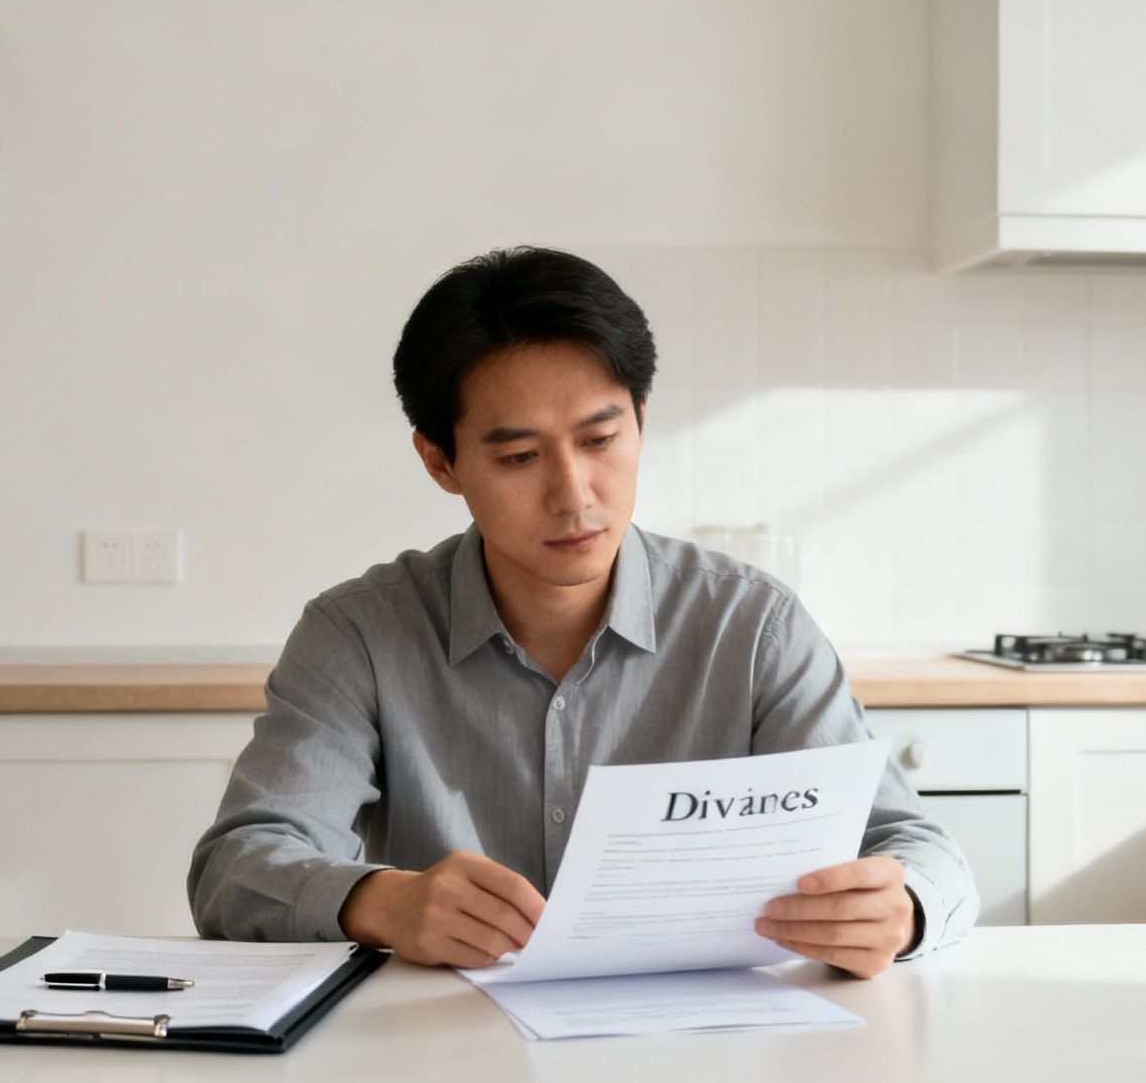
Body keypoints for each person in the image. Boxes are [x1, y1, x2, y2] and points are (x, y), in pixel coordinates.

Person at [188, 246, 976, 978]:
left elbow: (917, 850)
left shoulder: (753, 625)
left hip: (708, 1055)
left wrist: (900, 910)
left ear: (640, 418)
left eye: (601, 439)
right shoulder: (359, 634)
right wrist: (383, 901)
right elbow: (238, 867)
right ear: (440, 461)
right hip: (439, 1063)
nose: (574, 496)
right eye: (519, 458)